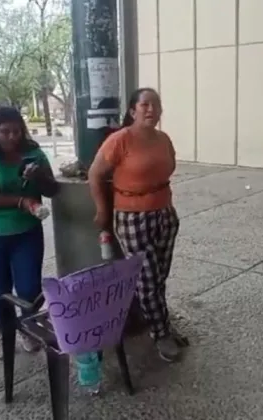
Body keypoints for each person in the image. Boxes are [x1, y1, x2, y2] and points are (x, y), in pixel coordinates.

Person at [88, 88, 183, 362]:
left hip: (164, 214)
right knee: (147, 279)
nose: (151, 109)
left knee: (160, 276)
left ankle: (159, 321)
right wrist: (102, 210)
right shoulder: (120, 140)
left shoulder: (163, 139)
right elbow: (95, 174)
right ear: (132, 111)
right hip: (132, 217)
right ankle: (161, 334)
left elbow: (168, 169)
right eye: (145, 104)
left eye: (156, 104)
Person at [0, 106, 58, 359]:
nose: (12, 137)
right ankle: (4, 333)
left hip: (26, 232)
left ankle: (28, 329)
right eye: (5, 132)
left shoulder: (33, 153)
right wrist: (21, 202)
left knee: (29, 288)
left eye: (17, 131)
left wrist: (38, 177)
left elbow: (52, 190)